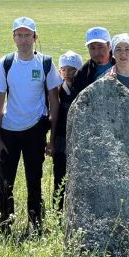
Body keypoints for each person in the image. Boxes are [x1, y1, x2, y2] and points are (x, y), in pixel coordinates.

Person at [0, 16, 62, 231]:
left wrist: (52, 138)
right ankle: (5, 223)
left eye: (27, 35)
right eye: (19, 35)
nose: (23, 40)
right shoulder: (5, 63)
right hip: (9, 131)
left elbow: (54, 102)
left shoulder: (46, 63)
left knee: (34, 180)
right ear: (13, 37)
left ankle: (36, 224)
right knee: (5, 181)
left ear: (35, 37)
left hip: (35, 131)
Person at [53, 50, 82, 208]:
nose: (68, 73)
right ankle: (56, 210)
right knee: (59, 176)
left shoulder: (83, 91)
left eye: (72, 70)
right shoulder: (56, 91)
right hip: (60, 140)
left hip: (77, 140)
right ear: (59, 71)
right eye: (64, 70)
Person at [72, 26, 114, 94]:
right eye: (92, 48)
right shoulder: (82, 74)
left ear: (109, 45)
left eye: (100, 47)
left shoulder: (122, 65)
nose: (96, 52)